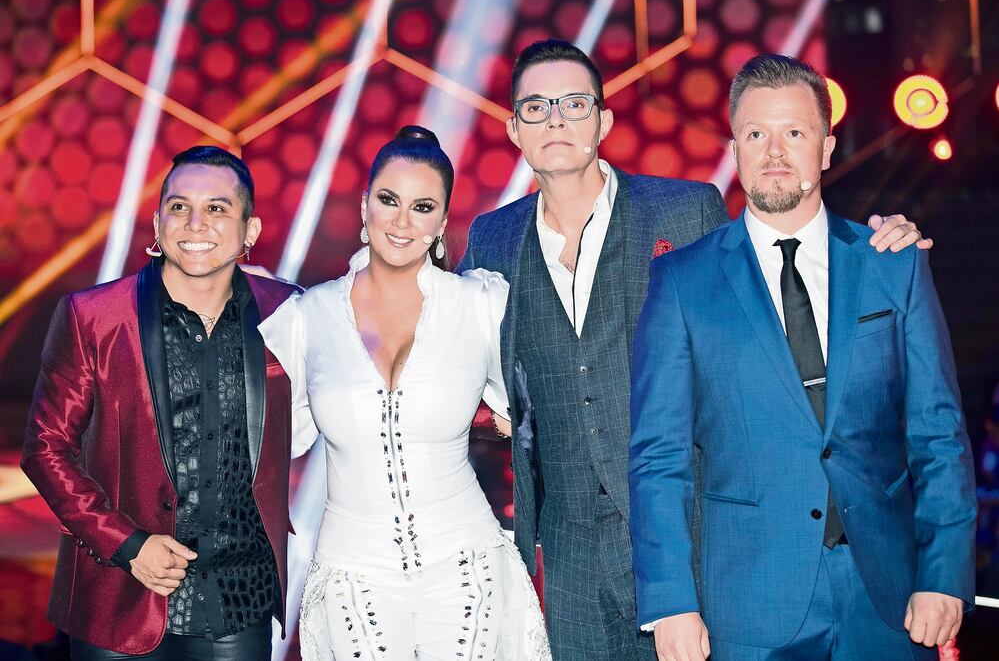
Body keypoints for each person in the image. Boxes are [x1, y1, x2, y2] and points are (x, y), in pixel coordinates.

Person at [457, 38, 932, 660]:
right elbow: (446, 347)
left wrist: (875, 248)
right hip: (568, 546)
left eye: (574, 104)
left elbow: (773, 307)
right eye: (537, 107)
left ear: (603, 120)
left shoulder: (684, 209)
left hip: (698, 540)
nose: (556, 120)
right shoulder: (493, 237)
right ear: (512, 127)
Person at [629, 54, 977, 661]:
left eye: (795, 132)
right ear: (734, 148)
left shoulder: (892, 263)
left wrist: (944, 573)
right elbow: (659, 458)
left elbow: (939, 434)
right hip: (747, 602)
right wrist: (670, 602)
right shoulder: (681, 283)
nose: (774, 152)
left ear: (826, 148)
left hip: (889, 602)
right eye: (756, 134)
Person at [258, 126, 550, 660]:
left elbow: (548, 403)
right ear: (366, 205)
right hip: (353, 572)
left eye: (422, 206)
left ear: (441, 223)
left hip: (466, 565)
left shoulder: (479, 304)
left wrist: (507, 420)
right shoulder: (307, 317)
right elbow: (256, 437)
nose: (401, 220)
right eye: (389, 200)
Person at [22, 146, 299, 659]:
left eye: (217, 208)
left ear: (250, 231)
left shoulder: (289, 313)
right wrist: (127, 545)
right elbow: (45, 447)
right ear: (157, 222)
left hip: (238, 600)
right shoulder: (94, 316)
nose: (195, 223)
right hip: (120, 594)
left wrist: (490, 417)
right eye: (178, 207)